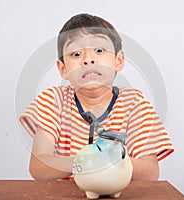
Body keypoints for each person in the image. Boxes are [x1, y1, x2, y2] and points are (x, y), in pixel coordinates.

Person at [20, 13, 174, 180]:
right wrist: (86, 162)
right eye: (76, 54)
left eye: (99, 50)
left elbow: (150, 172)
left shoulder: (134, 104)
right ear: (63, 68)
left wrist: (110, 162)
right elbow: (39, 167)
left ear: (118, 60)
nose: (88, 59)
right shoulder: (53, 101)